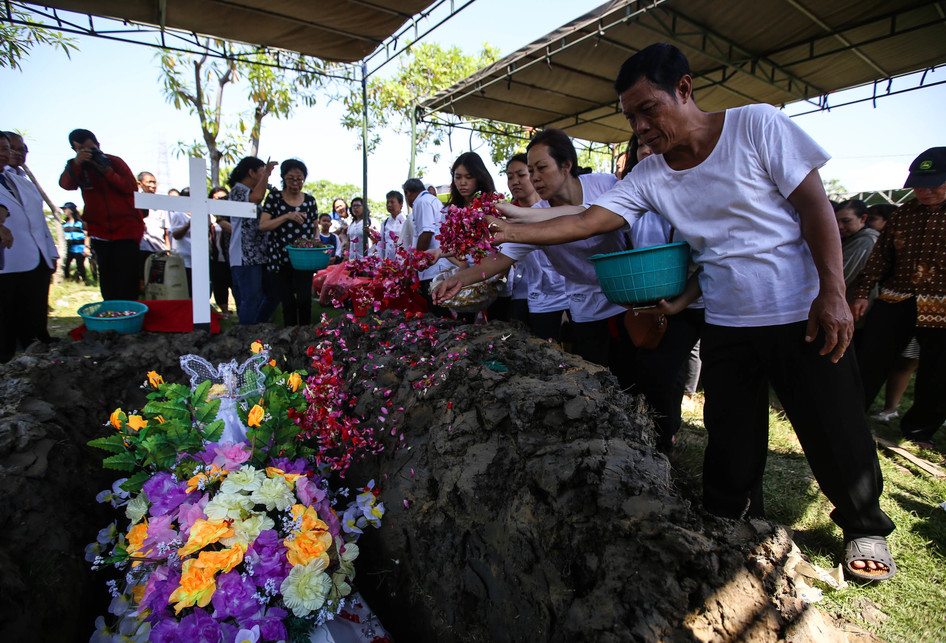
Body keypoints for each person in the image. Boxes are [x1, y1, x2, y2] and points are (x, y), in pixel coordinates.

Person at [487, 43, 896, 580]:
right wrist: (514, 230)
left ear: (684, 89)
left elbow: (815, 205)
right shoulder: (651, 174)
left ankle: (864, 523)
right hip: (726, 318)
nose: (640, 126)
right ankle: (732, 516)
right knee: (731, 431)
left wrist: (833, 292)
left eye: (648, 109)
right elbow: (589, 221)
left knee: (833, 423)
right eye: (631, 117)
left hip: (798, 308)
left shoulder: (758, 126)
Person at [434, 132, 631, 379]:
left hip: (627, 294)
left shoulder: (604, 184)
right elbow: (500, 259)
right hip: (586, 305)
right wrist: (459, 280)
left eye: (541, 169)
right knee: (599, 377)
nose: (535, 178)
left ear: (566, 165)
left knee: (633, 375)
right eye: (531, 171)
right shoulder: (533, 215)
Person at [852, 147, 946, 449]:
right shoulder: (904, 214)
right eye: (918, 183)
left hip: (942, 307)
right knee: (869, 359)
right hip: (895, 299)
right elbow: (880, 257)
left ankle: (919, 430)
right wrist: (864, 292)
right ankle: (849, 413)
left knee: (937, 372)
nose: (924, 190)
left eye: (934, 184)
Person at [58, 128, 142, 301]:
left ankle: (130, 316)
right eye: (82, 150)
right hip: (100, 233)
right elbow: (66, 184)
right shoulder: (77, 166)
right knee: (108, 279)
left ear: (98, 145)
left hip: (126, 232)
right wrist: (77, 163)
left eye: (92, 149)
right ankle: (111, 316)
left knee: (127, 279)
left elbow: (130, 188)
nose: (89, 153)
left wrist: (105, 170)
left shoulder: (114, 162)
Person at [0, 132, 58, 363]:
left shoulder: (19, 180)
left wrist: (51, 251)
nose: (10, 154)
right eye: (7, 149)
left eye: (10, 149)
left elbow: (38, 221)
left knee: (34, 309)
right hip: (8, 259)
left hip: (35, 255)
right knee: (6, 313)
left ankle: (36, 345)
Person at [503, 153, 568, 339]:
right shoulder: (508, 219)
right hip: (532, 295)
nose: (515, 181)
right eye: (510, 177)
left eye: (521, 175)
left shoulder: (554, 209)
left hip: (566, 295)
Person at [259, 159, 318, 326]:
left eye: (299, 179)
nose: (295, 183)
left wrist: (316, 238)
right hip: (280, 257)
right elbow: (263, 225)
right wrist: (287, 216)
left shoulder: (310, 200)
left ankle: (306, 337)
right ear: (283, 178)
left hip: (304, 259)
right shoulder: (274, 198)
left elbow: (315, 226)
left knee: (305, 299)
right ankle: (289, 335)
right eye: (291, 178)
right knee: (287, 301)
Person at [228, 156, 278, 325]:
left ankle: (257, 326)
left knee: (272, 294)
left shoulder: (246, 192)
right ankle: (247, 334)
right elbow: (255, 198)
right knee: (251, 298)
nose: (265, 175)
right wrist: (267, 175)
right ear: (251, 172)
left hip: (259, 254)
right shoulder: (238, 190)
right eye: (262, 172)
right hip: (244, 255)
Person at [402, 177, 453, 314]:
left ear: (408, 193)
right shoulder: (432, 199)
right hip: (440, 263)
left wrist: (416, 263)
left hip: (433, 267)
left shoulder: (421, 202)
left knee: (438, 310)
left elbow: (426, 232)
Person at [136, 171, 168, 293]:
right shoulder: (136, 202)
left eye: (155, 182)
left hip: (159, 249)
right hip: (142, 248)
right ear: (140, 183)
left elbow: (166, 230)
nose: (153, 185)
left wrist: (167, 249)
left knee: (158, 282)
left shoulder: (161, 204)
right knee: (142, 279)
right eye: (149, 182)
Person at [209, 187, 232, 315]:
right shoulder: (208, 217)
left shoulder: (231, 216)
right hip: (216, 258)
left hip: (231, 256)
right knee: (220, 286)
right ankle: (225, 312)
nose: (221, 201)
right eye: (217, 198)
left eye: (224, 198)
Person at [62, 202, 89, 283]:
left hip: (79, 248)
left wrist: (87, 247)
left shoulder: (80, 223)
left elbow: (87, 235)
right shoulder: (64, 223)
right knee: (66, 265)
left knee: (80, 265)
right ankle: (67, 280)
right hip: (69, 248)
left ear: (71, 210)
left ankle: (83, 281)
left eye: (65, 209)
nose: (64, 210)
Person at [378, 190, 406, 261]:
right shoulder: (385, 223)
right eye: (388, 202)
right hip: (389, 264)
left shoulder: (407, 221)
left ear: (401, 204)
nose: (389, 205)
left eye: (392, 202)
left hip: (404, 264)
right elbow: (381, 245)